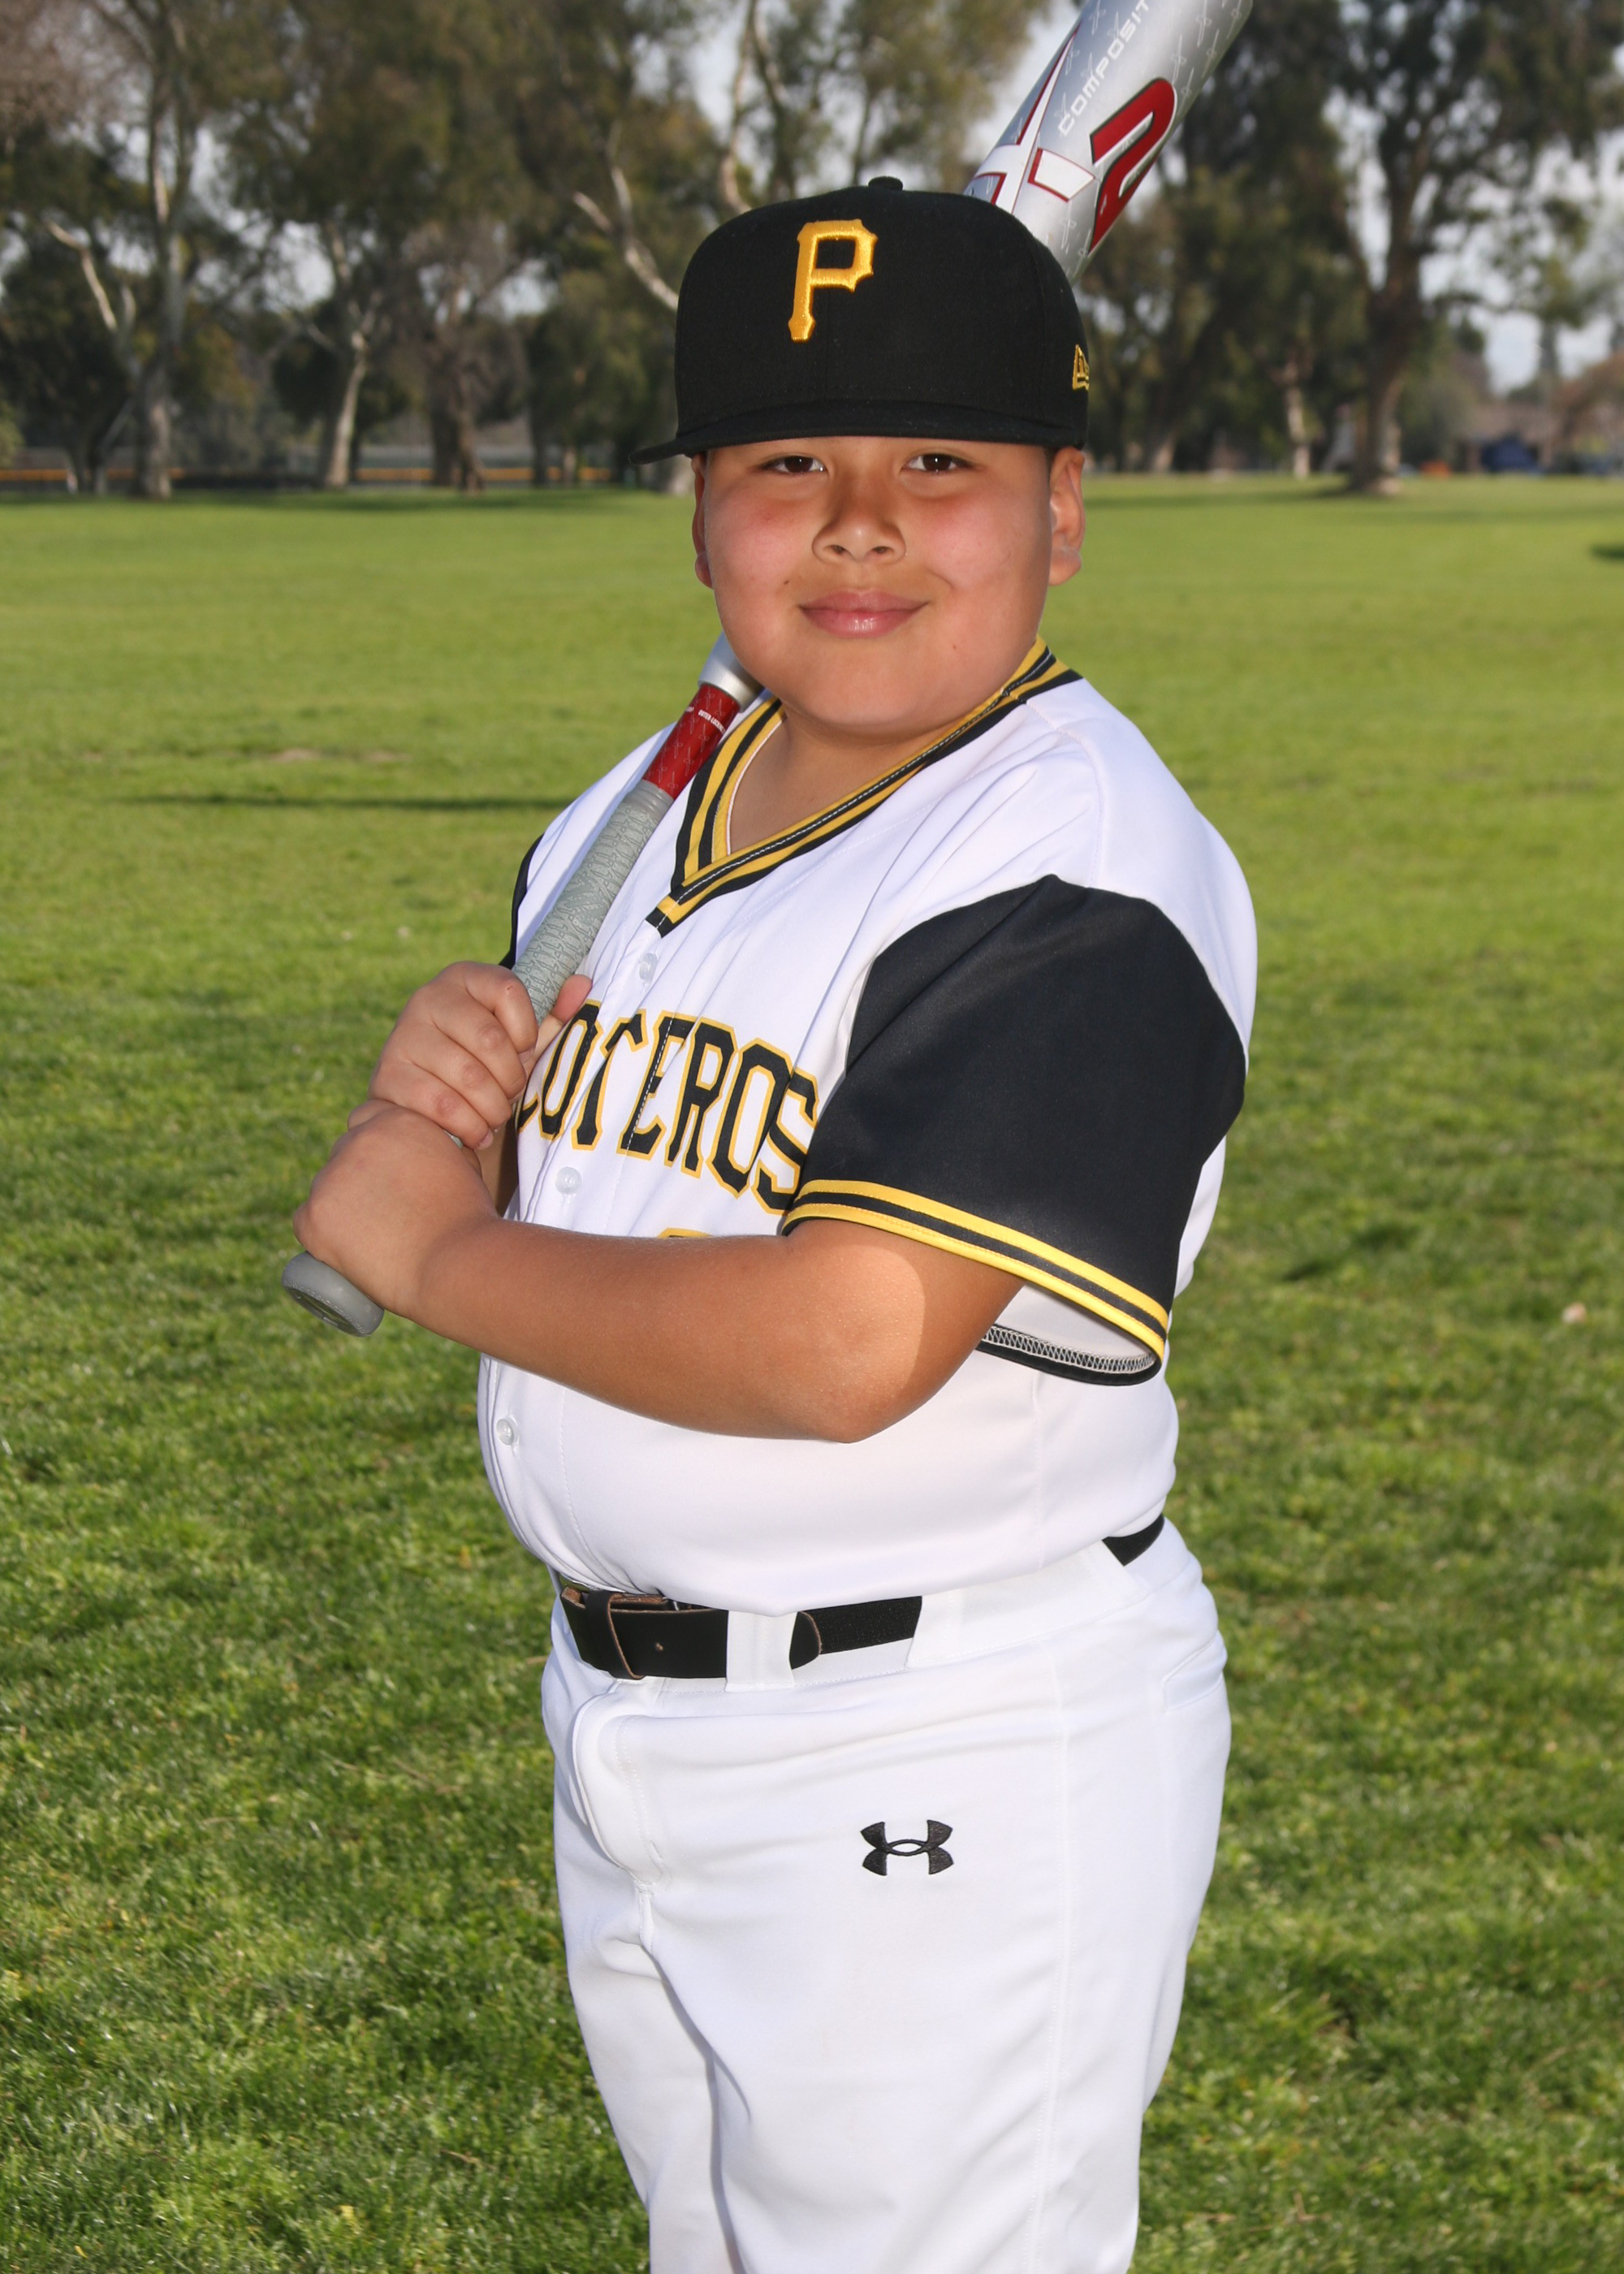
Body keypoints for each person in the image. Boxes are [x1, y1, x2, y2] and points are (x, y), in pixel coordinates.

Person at [295, 179, 1255, 2274]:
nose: (861, 528)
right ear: (701, 517)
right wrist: (469, 1120)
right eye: (786, 465)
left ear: (1065, 510)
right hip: (641, 1721)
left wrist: (435, 1255)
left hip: (935, 1741)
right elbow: (633, 1198)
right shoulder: (635, 817)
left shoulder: (1077, 864)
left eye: (943, 465)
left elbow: (849, 1340)